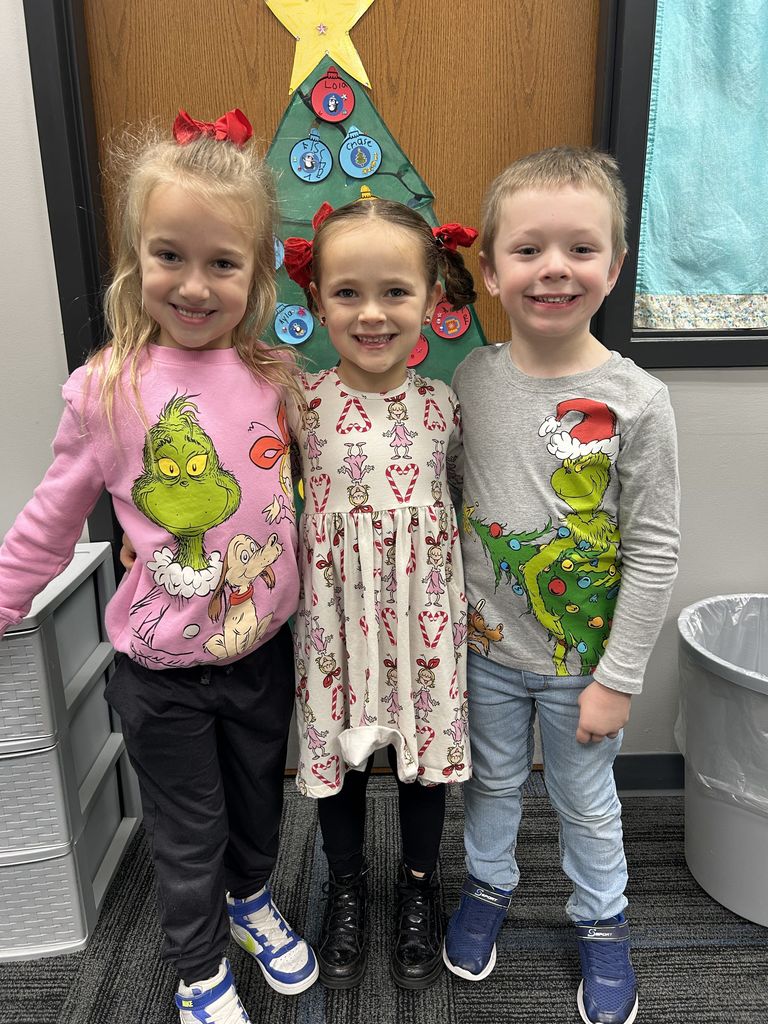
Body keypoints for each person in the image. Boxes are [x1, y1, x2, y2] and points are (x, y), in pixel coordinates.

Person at [0, 109, 318, 1024]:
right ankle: (196, 968)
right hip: (161, 672)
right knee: (188, 831)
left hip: (261, 655)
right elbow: (52, 515)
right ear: (135, 262)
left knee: (261, 807)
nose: (193, 283)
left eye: (222, 263)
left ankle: (252, 900)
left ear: (256, 276)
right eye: (169, 255)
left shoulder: (274, 375)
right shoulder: (107, 388)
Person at [442, 147, 680, 1024]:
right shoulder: (470, 381)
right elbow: (456, 497)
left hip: (586, 666)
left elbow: (654, 549)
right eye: (529, 249)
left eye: (581, 249)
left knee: (586, 799)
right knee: (493, 785)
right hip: (487, 652)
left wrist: (619, 678)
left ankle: (602, 919)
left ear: (614, 266)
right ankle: (490, 887)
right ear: (493, 272)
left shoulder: (639, 400)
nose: (554, 269)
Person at [281, 198, 476, 990]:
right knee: (344, 761)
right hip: (333, 621)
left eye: (395, 291)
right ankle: (348, 886)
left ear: (432, 299)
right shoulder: (298, 404)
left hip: (423, 619)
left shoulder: (444, 406)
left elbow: (460, 498)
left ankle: (420, 891)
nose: (371, 313)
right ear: (317, 301)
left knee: (423, 766)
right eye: (347, 293)